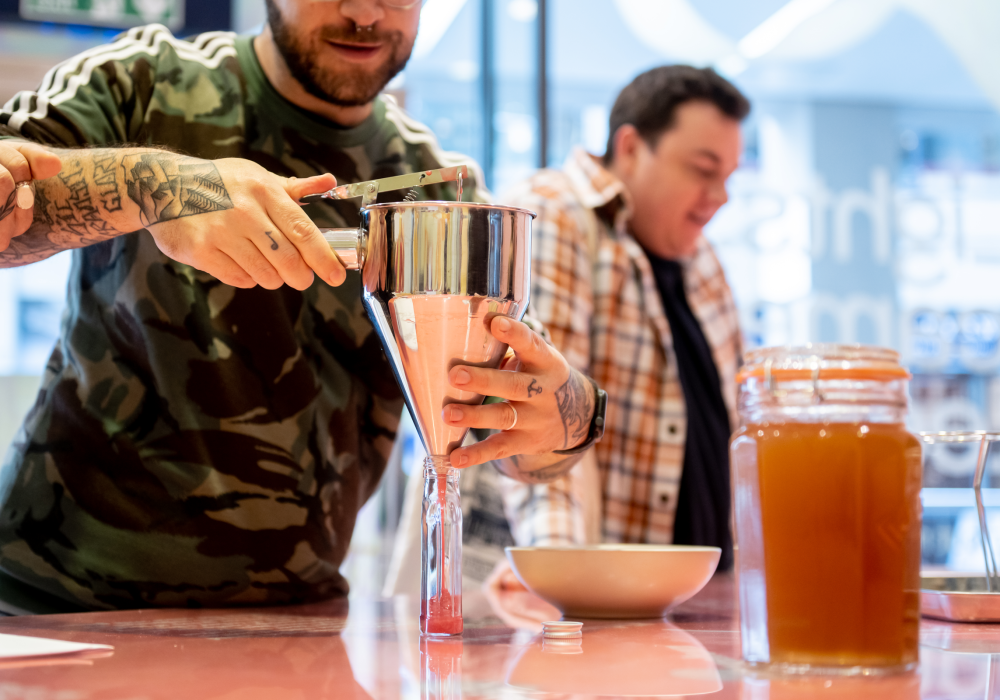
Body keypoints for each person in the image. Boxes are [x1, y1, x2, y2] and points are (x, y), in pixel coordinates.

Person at [0, 0, 602, 614]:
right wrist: (158, 186)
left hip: (296, 619)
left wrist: (568, 419)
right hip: (55, 600)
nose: (366, 12)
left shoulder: (434, 184)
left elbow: (526, 423)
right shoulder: (145, 80)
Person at [495, 66, 748, 579]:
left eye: (728, 177)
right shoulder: (555, 211)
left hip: (696, 599)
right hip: (605, 603)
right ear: (630, 147)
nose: (720, 196)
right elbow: (542, 414)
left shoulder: (703, 261)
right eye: (703, 170)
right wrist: (557, 578)